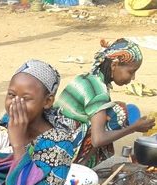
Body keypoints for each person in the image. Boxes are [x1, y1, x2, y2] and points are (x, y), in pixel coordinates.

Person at [55, 38, 154, 168]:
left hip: (54, 139)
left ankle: (81, 164)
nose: (133, 78)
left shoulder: (89, 78)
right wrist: (133, 128)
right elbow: (98, 140)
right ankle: (80, 165)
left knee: (109, 113)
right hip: (61, 147)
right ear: (114, 65)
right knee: (119, 112)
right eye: (131, 72)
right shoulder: (99, 91)